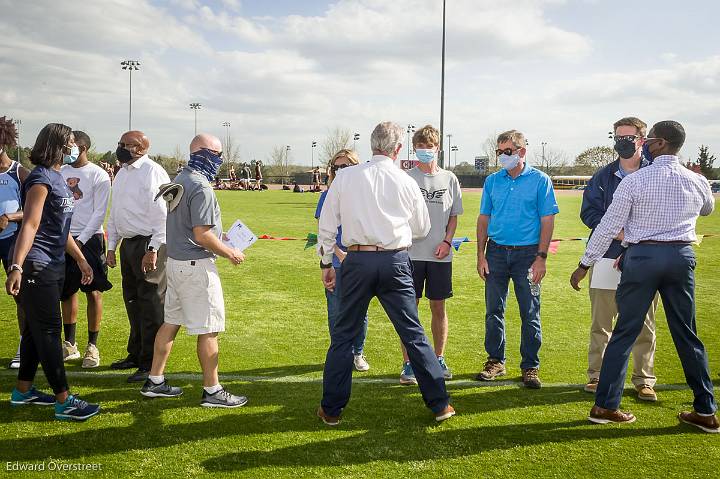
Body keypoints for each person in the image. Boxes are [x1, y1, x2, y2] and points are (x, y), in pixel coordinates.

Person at [571, 120, 718, 432]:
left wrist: (585, 263)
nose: (647, 144)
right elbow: (707, 209)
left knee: (624, 331)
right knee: (687, 334)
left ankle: (605, 405)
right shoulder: (696, 180)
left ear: (661, 143)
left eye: (650, 139)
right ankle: (705, 409)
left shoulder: (636, 181)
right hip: (680, 257)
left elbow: (608, 226)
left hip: (641, 257)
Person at [317, 121, 454, 426]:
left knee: (343, 337)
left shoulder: (346, 177)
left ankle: (332, 409)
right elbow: (421, 229)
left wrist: (327, 263)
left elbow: (327, 225)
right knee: (413, 333)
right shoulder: (405, 181)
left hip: (356, 260)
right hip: (395, 261)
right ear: (397, 149)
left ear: (372, 145)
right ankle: (441, 404)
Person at [140, 133, 248, 407]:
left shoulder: (180, 180)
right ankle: (212, 390)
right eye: (217, 154)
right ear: (202, 152)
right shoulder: (200, 186)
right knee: (209, 329)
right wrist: (230, 252)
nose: (220, 160)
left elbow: (192, 228)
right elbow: (201, 235)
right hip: (195, 264)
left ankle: (155, 380)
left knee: (171, 323)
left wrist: (219, 239)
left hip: (176, 263)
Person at [6, 123, 100, 421]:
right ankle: (64, 401)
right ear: (59, 145)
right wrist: (17, 265)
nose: (75, 148)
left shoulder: (58, 178)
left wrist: (81, 259)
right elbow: (30, 225)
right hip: (37, 264)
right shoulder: (40, 178)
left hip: (54, 262)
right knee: (48, 331)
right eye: (71, 143)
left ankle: (23, 391)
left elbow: (61, 228)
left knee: (36, 330)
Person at [579, 117, 659, 401]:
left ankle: (643, 379)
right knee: (602, 322)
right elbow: (588, 213)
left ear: (642, 139)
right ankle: (597, 375)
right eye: (617, 136)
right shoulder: (602, 176)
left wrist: (632, 235)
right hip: (604, 257)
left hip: (645, 259)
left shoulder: (654, 174)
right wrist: (617, 232)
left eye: (628, 137)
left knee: (644, 322)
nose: (621, 142)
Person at [476, 130, 559, 389]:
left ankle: (530, 366)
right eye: (499, 152)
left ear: (522, 152)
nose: (502, 156)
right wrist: (481, 254)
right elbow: (483, 219)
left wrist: (541, 258)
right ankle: (495, 361)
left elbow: (548, 220)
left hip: (528, 255)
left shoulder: (540, 180)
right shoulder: (492, 181)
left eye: (507, 152)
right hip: (496, 253)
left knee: (530, 311)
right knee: (494, 311)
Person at [399, 125, 463, 385]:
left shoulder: (450, 179)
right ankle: (408, 365)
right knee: (408, 311)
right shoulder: (406, 177)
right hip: (409, 256)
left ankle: (439, 359)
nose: (425, 151)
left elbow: (454, 217)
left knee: (438, 307)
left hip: (440, 257)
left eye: (430, 146)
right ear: (415, 149)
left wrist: (447, 242)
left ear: (438, 148)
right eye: (420, 147)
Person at [106, 130, 170, 383]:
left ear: (142, 148)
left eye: (127, 145)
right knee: (133, 301)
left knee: (151, 303)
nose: (121, 148)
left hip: (149, 243)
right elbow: (116, 212)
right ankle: (135, 354)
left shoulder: (152, 172)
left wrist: (153, 250)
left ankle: (150, 363)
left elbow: (162, 215)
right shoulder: (122, 172)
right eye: (120, 143)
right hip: (129, 244)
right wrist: (112, 245)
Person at [59, 131, 112, 368]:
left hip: (90, 239)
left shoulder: (98, 174)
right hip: (64, 238)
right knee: (66, 292)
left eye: (69, 146)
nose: (66, 151)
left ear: (82, 148)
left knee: (93, 291)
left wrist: (81, 239)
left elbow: (99, 212)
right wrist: (68, 238)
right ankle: (69, 344)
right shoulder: (60, 171)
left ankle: (92, 346)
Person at [315, 149, 370, 373]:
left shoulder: (365, 194)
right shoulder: (326, 195)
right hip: (336, 263)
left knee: (359, 312)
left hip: (361, 262)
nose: (340, 171)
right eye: (336, 167)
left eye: (345, 166)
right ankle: (340, 352)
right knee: (336, 311)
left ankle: (358, 352)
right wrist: (337, 254)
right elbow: (322, 232)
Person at [0, 116, 29, 369]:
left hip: (11, 240)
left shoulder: (19, 172)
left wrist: (9, 216)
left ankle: (23, 346)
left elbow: (33, 211)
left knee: (19, 296)